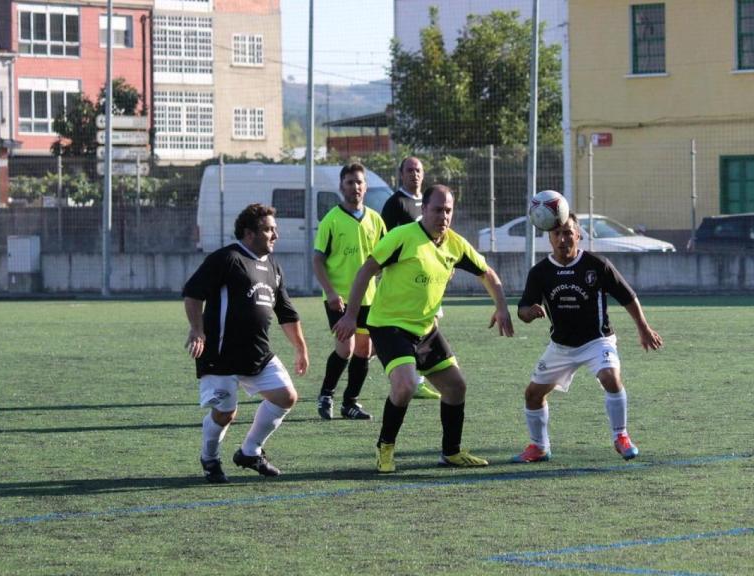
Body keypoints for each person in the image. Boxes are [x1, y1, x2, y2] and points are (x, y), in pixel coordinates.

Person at [335, 184, 515, 473]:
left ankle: (451, 452)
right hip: (389, 325)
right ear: (423, 210)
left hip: (426, 329)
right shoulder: (402, 237)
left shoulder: (455, 243)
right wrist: (350, 316)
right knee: (405, 385)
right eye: (437, 210)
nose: (443, 216)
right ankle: (385, 447)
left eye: (448, 210)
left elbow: (488, 274)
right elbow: (366, 270)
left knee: (456, 386)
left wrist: (502, 307)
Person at [511, 213, 663, 464]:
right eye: (557, 233)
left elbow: (627, 296)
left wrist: (643, 328)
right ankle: (539, 447)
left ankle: (621, 436)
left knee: (610, 377)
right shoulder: (540, 272)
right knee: (532, 395)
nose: (563, 238)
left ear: (578, 235)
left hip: (598, 341)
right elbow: (523, 310)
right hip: (561, 346)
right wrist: (528, 312)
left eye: (568, 232)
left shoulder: (597, 265)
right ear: (549, 238)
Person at [183, 203, 309, 484]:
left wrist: (300, 348)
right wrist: (197, 330)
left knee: (286, 396)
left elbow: (286, 313)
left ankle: (250, 451)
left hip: (257, 354)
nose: (275, 235)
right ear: (249, 233)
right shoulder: (227, 258)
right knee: (226, 413)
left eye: (275, 229)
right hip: (220, 354)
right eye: (268, 229)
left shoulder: (273, 267)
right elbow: (193, 293)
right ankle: (210, 457)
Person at [312, 163, 386, 420]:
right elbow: (318, 260)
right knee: (345, 349)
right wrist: (331, 293)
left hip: (369, 297)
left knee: (364, 351)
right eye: (349, 182)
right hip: (339, 299)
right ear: (341, 186)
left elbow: (387, 258)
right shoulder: (331, 220)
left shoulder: (375, 220)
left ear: (365, 187)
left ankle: (350, 403)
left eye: (359, 182)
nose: (355, 187)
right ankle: (326, 394)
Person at [378, 156, 443, 401]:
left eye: (418, 170)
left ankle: (418, 379)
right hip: (405, 282)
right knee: (409, 328)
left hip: (430, 277)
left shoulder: (427, 202)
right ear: (401, 174)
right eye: (409, 170)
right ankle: (406, 375)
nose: (414, 174)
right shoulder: (395, 203)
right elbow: (385, 241)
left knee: (431, 324)